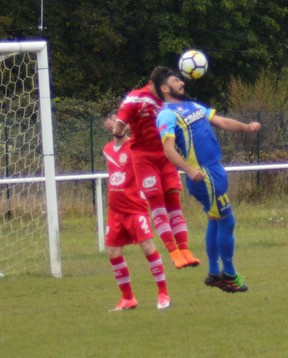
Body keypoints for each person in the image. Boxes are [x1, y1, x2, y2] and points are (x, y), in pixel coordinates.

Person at [154, 68, 261, 293]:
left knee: (215, 220)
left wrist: (245, 127)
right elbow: (168, 150)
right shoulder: (166, 115)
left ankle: (214, 273)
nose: (182, 83)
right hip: (203, 175)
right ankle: (229, 274)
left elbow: (221, 122)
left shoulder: (193, 106)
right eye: (176, 81)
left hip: (214, 170)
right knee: (227, 221)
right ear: (165, 88)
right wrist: (189, 170)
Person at [112, 68, 200, 270]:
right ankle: (174, 252)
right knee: (157, 202)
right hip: (144, 158)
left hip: (167, 155)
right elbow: (119, 125)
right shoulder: (135, 99)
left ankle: (185, 249)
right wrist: (117, 129)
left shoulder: (170, 101)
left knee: (174, 201)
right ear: (151, 84)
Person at [103, 114, 170, 311]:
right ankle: (128, 298)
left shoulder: (135, 146)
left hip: (134, 207)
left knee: (148, 248)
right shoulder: (107, 149)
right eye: (114, 122)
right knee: (113, 252)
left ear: (126, 127)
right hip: (115, 211)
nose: (117, 126)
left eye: (120, 123)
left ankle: (163, 293)